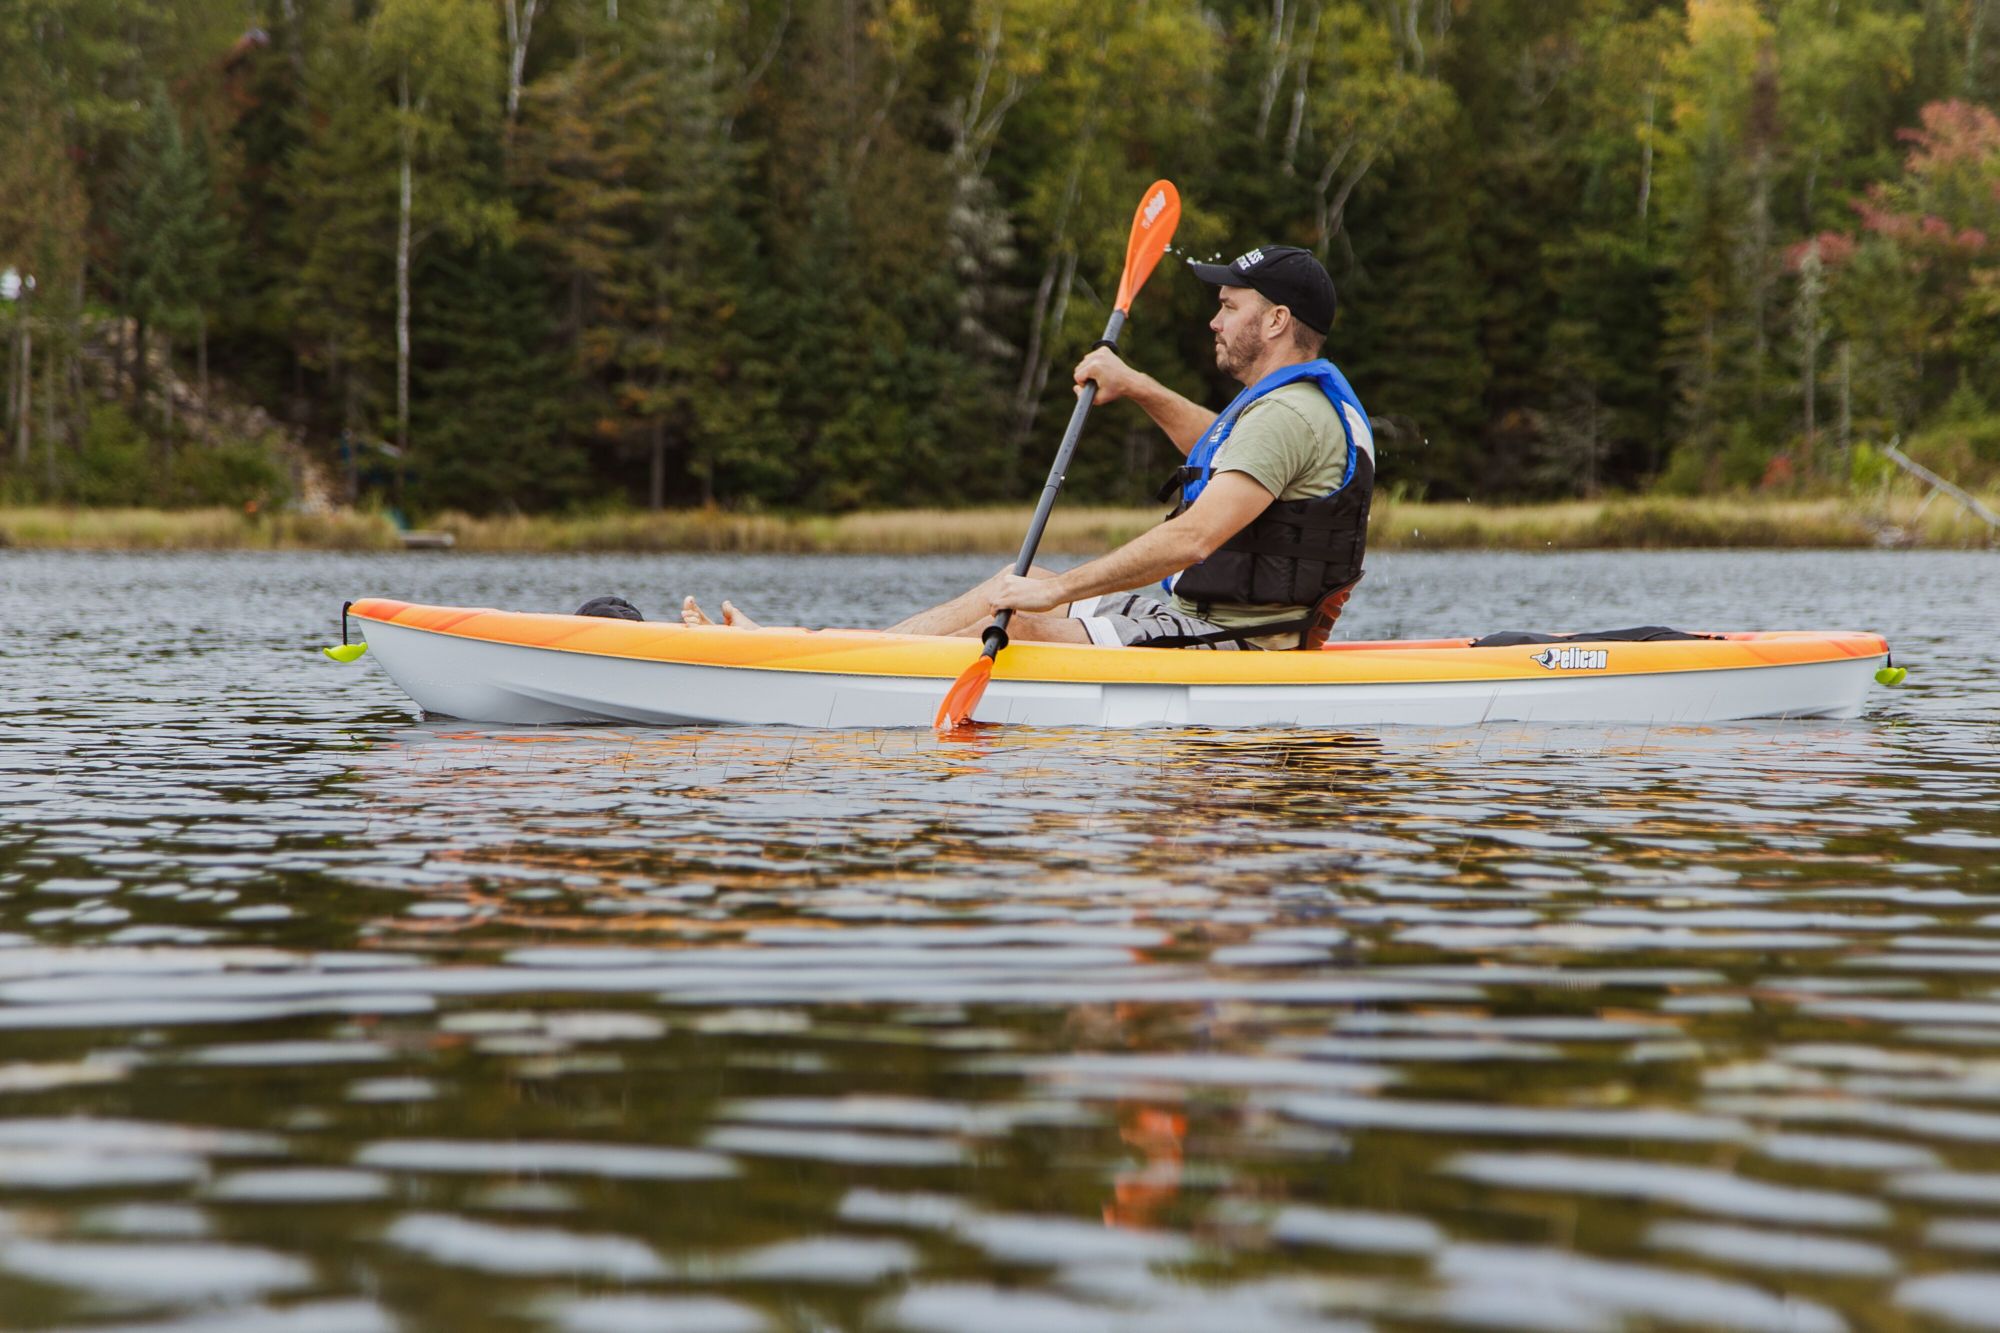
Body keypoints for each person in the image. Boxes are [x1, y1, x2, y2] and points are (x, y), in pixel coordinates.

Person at [683, 244, 1374, 649]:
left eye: (1229, 306)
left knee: (1025, 615)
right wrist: (1135, 385)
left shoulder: (1289, 414)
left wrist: (1060, 592)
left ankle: (827, 666)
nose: (1214, 321)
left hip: (1231, 644)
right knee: (1012, 583)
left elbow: (1193, 538)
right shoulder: (1285, 410)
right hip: (1196, 620)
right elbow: (1220, 448)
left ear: (1276, 320)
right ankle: (820, 651)